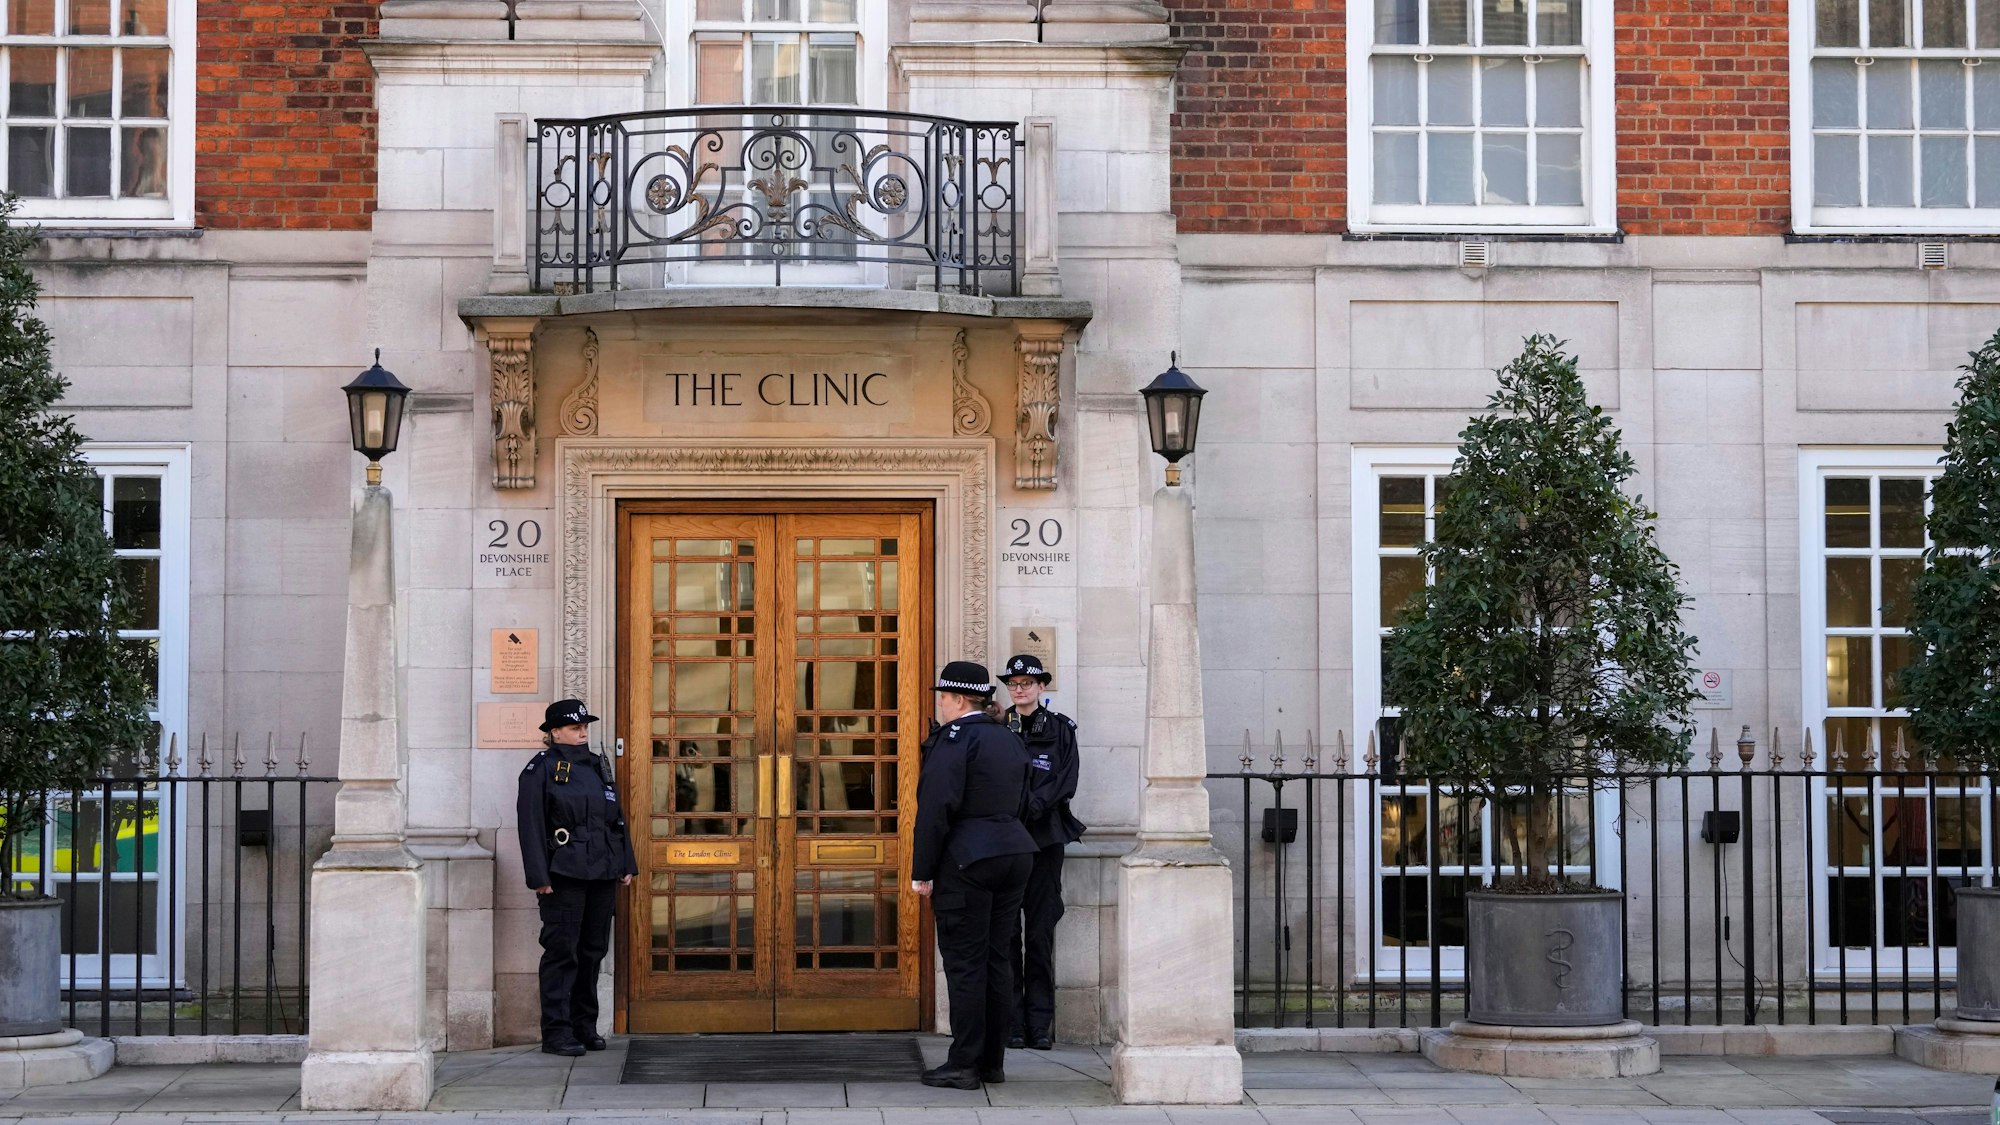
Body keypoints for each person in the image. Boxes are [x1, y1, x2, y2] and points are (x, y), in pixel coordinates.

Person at [911, 661, 1037, 1090]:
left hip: (968, 861)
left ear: (959, 700)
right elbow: (1024, 800)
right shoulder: (1008, 737)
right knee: (997, 960)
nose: (941, 705)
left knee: (966, 964)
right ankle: (991, 1063)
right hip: (1014, 852)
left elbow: (935, 809)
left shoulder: (955, 739)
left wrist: (922, 870)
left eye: (944, 698)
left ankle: (964, 1064)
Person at [516, 698, 637, 1056]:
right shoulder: (541, 769)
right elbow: (530, 825)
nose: (583, 732)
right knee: (562, 952)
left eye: (585, 726)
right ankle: (556, 1032)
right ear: (555, 732)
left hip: (602, 871)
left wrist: (625, 863)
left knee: (592, 951)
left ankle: (585, 1027)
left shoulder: (598, 765)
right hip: (564, 873)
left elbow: (616, 819)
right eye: (574, 727)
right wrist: (539, 876)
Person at [999, 653, 1086, 1051]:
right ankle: (1012, 1024)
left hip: (1044, 839)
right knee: (1006, 934)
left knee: (1039, 934)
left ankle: (1039, 1025)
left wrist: (1032, 806)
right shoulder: (998, 727)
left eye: (1027, 683)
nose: (1019, 689)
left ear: (1041, 686)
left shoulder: (1060, 730)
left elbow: (1065, 781)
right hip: (1006, 841)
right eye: (1013, 684)